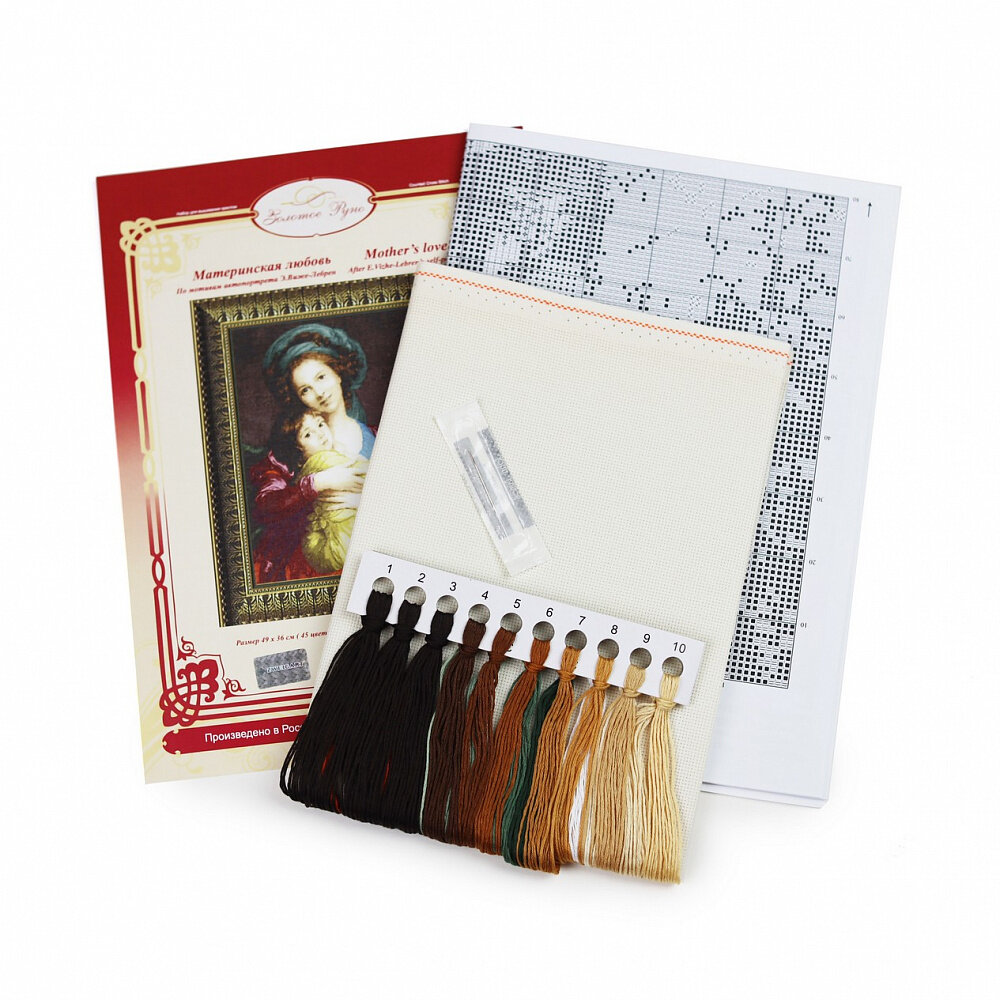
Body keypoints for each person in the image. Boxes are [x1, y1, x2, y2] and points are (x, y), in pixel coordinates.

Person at [250, 323, 375, 583]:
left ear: (338, 373)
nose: (319, 392)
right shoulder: (289, 451)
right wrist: (317, 483)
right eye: (305, 389)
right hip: (316, 565)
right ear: (298, 398)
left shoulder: (376, 436)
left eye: (321, 377)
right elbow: (265, 506)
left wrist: (363, 504)